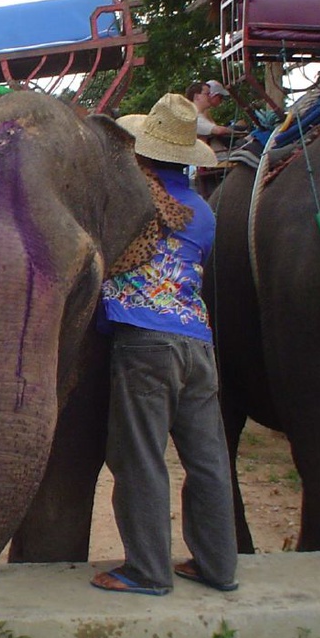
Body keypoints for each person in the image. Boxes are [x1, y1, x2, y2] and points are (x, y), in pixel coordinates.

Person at [90, 92, 239, 597]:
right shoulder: (202, 209)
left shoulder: (132, 200)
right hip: (197, 342)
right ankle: (219, 566)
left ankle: (148, 571)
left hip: (145, 343)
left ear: (144, 150)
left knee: (140, 457)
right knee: (208, 460)